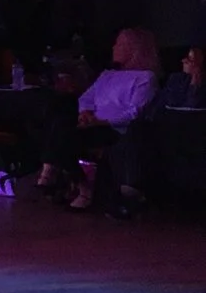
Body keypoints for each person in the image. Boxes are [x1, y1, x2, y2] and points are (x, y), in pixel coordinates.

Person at [43, 26, 159, 216]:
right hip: (92, 124)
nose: (114, 47)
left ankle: (65, 178)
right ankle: (65, 176)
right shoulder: (108, 75)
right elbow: (86, 98)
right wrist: (86, 113)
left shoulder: (145, 78)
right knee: (60, 120)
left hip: (116, 129)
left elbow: (135, 111)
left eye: (119, 44)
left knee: (66, 134)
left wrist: (100, 120)